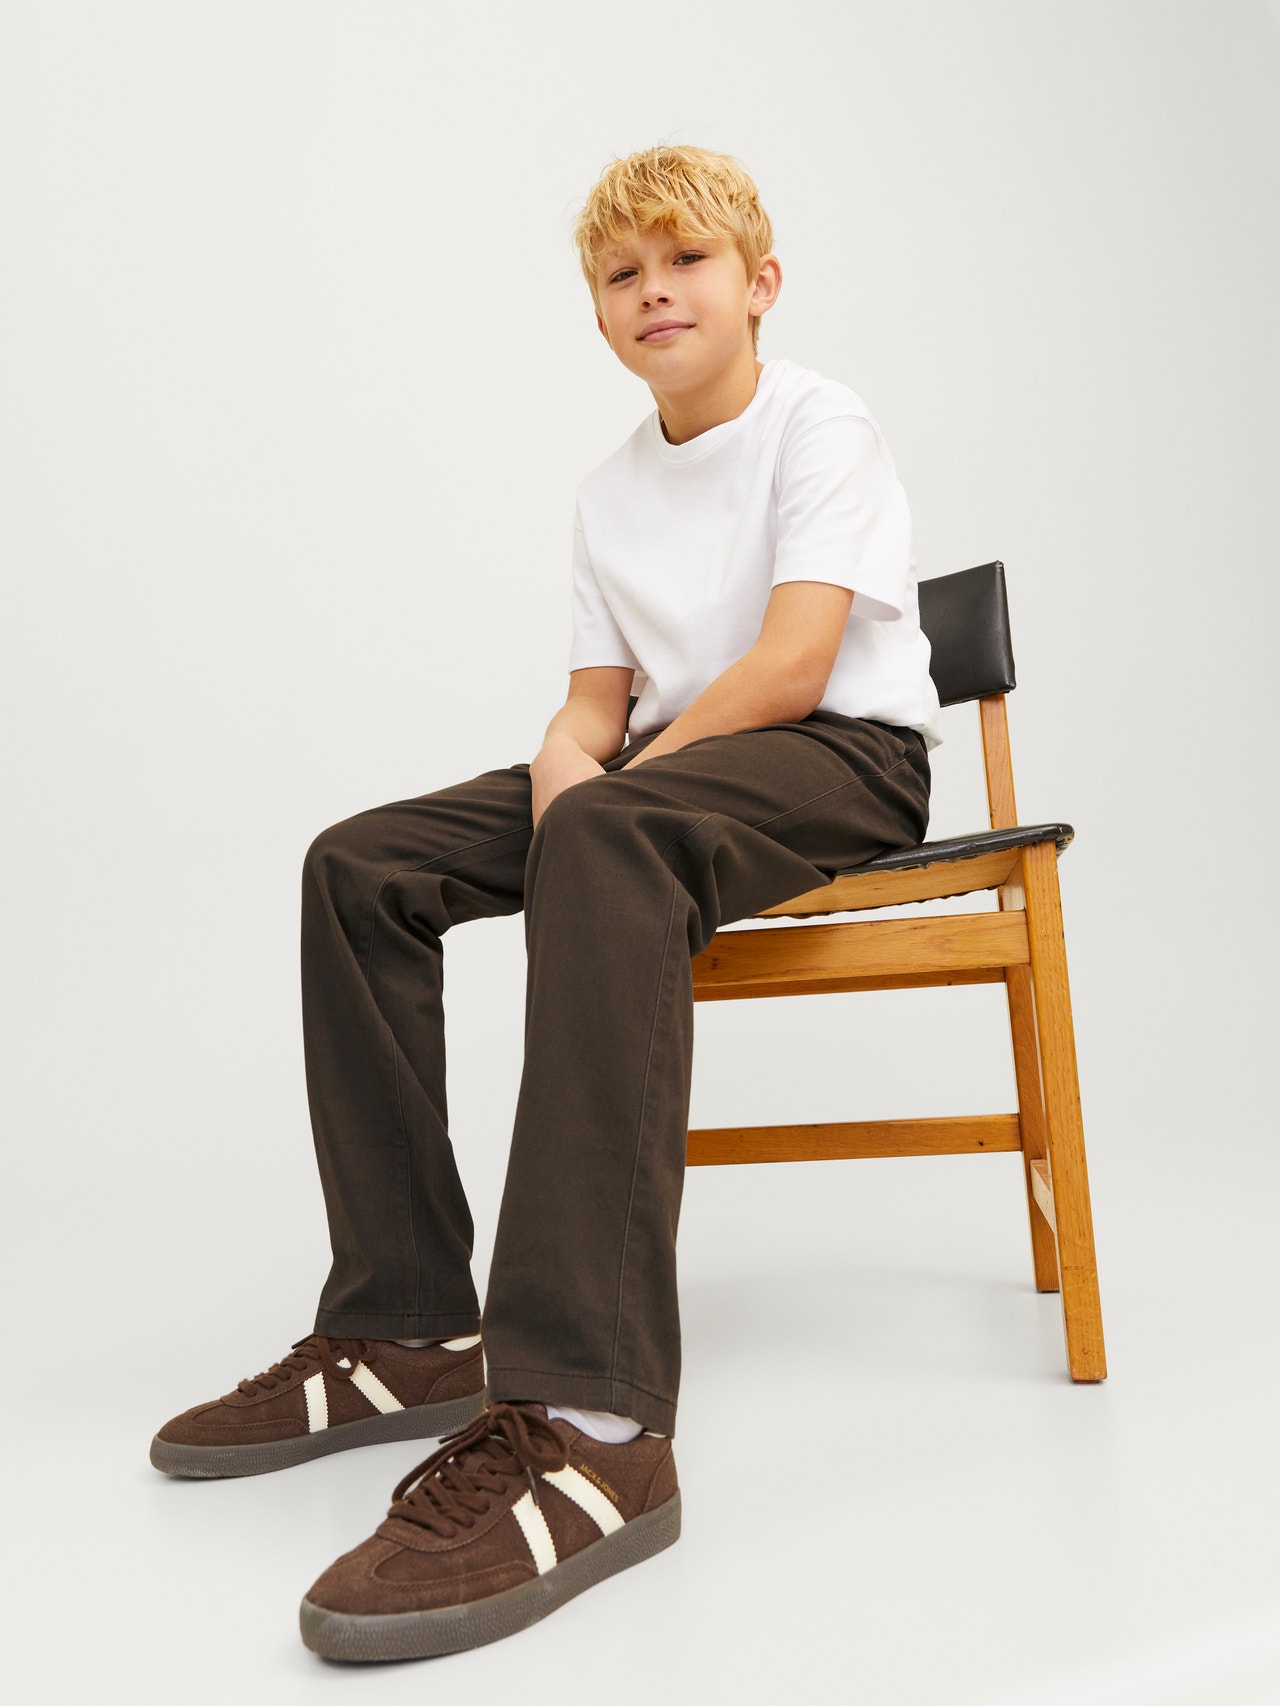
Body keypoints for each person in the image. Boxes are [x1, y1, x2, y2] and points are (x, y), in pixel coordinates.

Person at [149, 143, 943, 1660]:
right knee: (361, 864)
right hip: (668, 771)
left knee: (607, 838)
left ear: (761, 285)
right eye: (623, 274)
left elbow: (791, 668)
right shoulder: (608, 491)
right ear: (598, 316)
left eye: (689, 261)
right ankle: (405, 1322)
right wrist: (573, 781)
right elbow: (590, 709)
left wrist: (605, 800)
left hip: (837, 756)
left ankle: (595, 1418)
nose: (657, 291)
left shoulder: (818, 422)